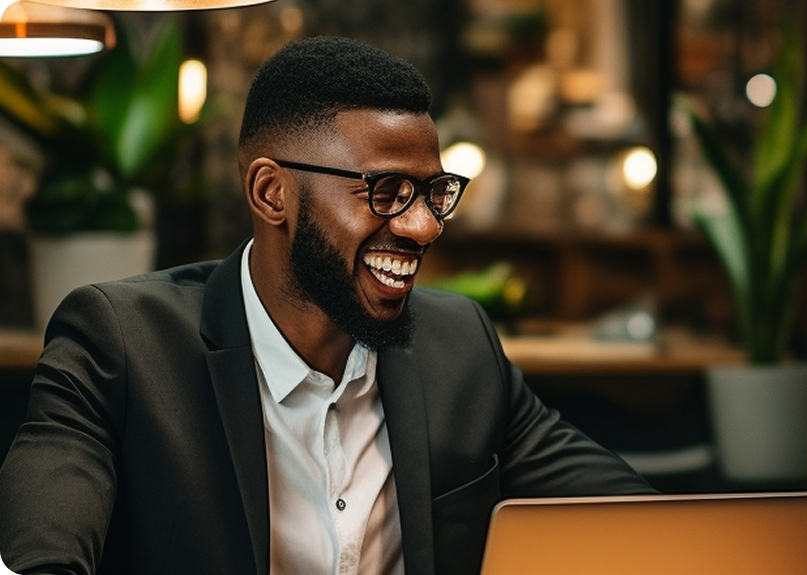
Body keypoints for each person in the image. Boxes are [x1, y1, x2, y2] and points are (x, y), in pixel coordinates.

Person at [0, 36, 653, 575]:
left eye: (434, 192)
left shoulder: (459, 346)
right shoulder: (119, 346)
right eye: (388, 190)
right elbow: (40, 558)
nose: (426, 227)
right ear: (270, 192)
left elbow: (647, 525)